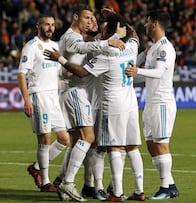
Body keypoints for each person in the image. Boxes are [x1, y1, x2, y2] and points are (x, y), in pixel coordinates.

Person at [44, 12, 145, 202]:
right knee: (115, 145)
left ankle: (78, 184)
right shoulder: (129, 46)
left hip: (105, 101)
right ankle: (75, 183)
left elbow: (82, 70)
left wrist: (60, 59)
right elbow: (134, 36)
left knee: (95, 144)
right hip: (108, 99)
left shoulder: (107, 52)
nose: (97, 25)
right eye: (88, 18)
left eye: (102, 24)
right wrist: (117, 23)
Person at [125, 10, 179, 200]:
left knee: (161, 144)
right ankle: (171, 184)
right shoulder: (153, 48)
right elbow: (144, 75)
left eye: (148, 22)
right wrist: (131, 74)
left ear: (155, 24)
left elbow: (158, 72)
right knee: (151, 144)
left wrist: (137, 70)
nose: (146, 25)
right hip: (151, 103)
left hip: (162, 103)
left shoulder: (165, 48)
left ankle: (164, 187)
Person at [18, 14, 70, 192]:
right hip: (38, 96)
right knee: (45, 139)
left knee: (64, 139)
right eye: (47, 24)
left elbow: (60, 73)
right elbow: (21, 74)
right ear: (38, 26)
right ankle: (46, 182)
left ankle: (36, 168)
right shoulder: (31, 47)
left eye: (53, 25)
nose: (50, 28)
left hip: (53, 97)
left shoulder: (55, 47)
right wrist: (26, 99)